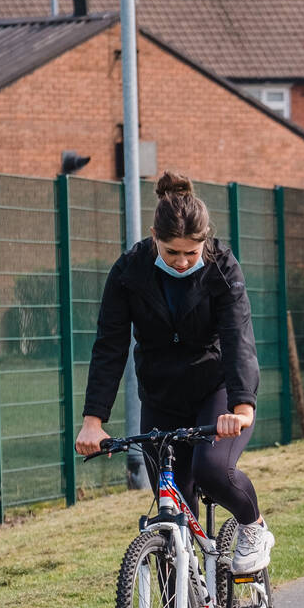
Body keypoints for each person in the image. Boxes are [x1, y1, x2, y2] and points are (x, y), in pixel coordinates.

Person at [75, 172, 275, 581]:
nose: (183, 261)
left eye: (191, 251)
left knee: (212, 470)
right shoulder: (129, 272)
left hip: (216, 391)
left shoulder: (222, 267)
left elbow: (239, 338)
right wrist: (94, 421)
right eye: (171, 253)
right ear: (154, 238)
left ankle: (253, 528)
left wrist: (241, 407)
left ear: (205, 241)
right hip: (162, 398)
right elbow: (110, 347)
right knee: (171, 512)